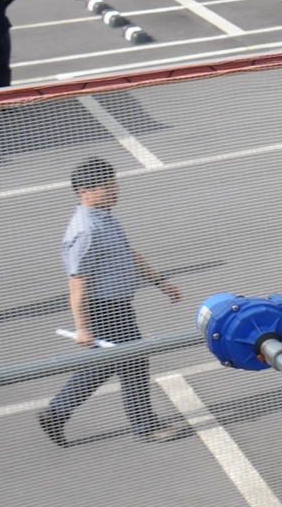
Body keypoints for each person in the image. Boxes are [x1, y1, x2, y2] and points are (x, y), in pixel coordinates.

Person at [43, 156, 180, 446]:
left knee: (105, 364)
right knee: (133, 363)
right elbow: (77, 283)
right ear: (85, 192)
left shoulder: (104, 218)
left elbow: (128, 253)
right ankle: (144, 426)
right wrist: (82, 327)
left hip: (118, 305)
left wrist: (159, 282)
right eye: (105, 187)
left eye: (113, 183)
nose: (114, 190)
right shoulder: (86, 231)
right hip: (106, 307)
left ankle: (56, 412)